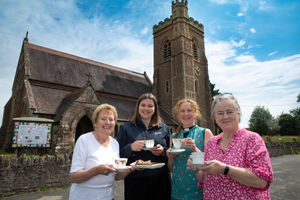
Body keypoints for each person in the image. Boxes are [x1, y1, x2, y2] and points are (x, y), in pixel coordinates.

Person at [188, 94, 273, 199]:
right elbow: (203, 179)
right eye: (220, 113)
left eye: (229, 112)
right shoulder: (212, 142)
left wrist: (225, 169)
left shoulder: (252, 139)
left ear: (238, 113)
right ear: (214, 117)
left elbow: (262, 181)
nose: (225, 117)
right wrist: (198, 167)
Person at [69, 104, 130, 200]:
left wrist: (131, 168)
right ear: (95, 123)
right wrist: (96, 170)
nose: (108, 122)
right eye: (103, 119)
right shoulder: (84, 140)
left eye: (111, 119)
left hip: (108, 197)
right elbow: (74, 177)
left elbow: (116, 177)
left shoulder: (115, 144)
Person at [117, 93, 171, 200]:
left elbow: (171, 152)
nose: (146, 108)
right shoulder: (126, 128)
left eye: (150, 106)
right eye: (143, 105)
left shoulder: (164, 128)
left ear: (155, 109)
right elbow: (118, 154)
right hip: (135, 181)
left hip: (160, 180)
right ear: (138, 107)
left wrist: (163, 151)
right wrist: (130, 148)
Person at [167, 98, 213, 200]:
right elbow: (171, 168)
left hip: (198, 191)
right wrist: (170, 157)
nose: (186, 114)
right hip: (177, 191)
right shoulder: (174, 136)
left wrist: (194, 148)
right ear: (178, 115)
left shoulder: (205, 132)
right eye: (182, 111)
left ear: (196, 113)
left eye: (189, 110)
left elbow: (211, 163)